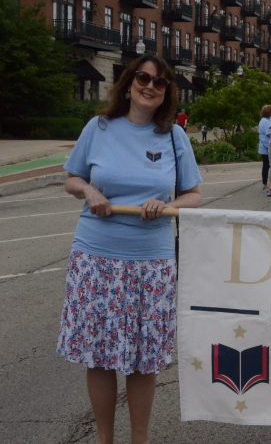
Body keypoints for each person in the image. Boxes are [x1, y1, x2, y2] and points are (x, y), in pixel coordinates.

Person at [56, 54, 203, 444]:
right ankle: (105, 439)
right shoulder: (99, 128)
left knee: (144, 360)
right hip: (96, 255)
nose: (150, 86)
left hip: (151, 262)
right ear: (129, 82)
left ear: (167, 91)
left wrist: (167, 207)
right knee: (99, 357)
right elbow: (72, 178)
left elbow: (194, 195)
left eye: (160, 82)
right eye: (143, 77)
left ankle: (140, 439)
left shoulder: (173, 136)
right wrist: (88, 190)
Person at [257, 104, 271, 188]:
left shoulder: (263, 120)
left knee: (266, 165)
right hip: (266, 146)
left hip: (265, 146)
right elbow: (269, 134)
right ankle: (266, 182)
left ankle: (265, 182)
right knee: (268, 165)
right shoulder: (265, 121)